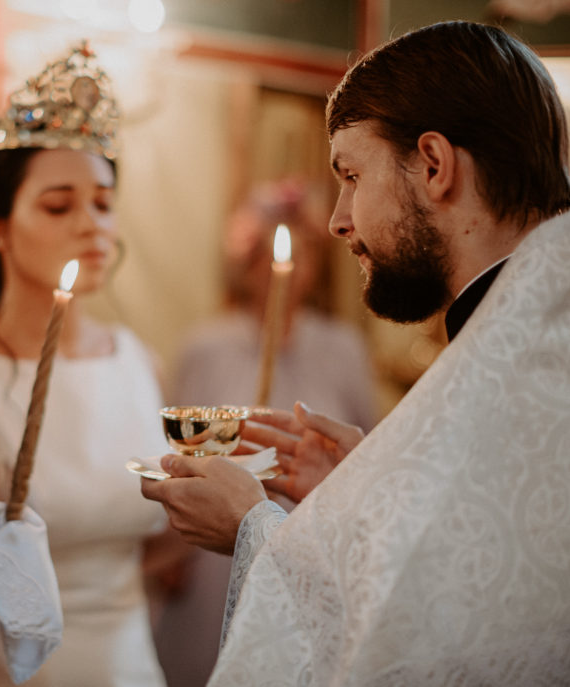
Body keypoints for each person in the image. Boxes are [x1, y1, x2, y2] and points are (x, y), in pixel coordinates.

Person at [141, 20, 570, 686]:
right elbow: (507, 565)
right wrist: (368, 491)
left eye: (351, 175)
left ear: (433, 164)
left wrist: (254, 528)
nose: (338, 219)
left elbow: (452, 653)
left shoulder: (524, 359)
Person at [0, 43, 171, 687]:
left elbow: (160, 541)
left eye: (103, 203)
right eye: (58, 206)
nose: (92, 226)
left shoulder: (137, 359)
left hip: (135, 663)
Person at [152, 178, 378, 687]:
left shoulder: (342, 347)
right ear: (247, 262)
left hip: (306, 535)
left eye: (305, 257)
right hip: (216, 549)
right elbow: (177, 450)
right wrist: (172, 547)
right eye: (275, 256)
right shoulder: (205, 347)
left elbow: (369, 443)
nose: (290, 272)